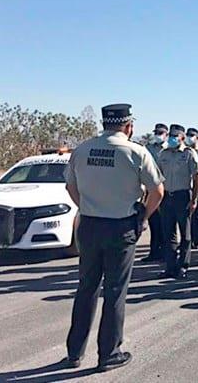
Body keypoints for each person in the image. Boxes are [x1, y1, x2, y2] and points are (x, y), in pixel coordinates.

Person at [64, 104, 164, 372]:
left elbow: (70, 186)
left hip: (89, 225)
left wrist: (87, 206)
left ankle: (74, 352)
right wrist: (143, 218)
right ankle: (108, 353)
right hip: (121, 228)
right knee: (115, 291)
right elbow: (158, 191)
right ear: (128, 126)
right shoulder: (135, 152)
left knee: (86, 288)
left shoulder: (82, 149)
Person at [157, 124, 198, 279]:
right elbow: (158, 176)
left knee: (186, 234)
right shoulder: (164, 154)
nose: (171, 138)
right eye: (170, 136)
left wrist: (194, 199)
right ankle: (170, 266)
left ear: (182, 138)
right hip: (167, 197)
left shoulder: (189, 154)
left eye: (175, 136)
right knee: (168, 233)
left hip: (183, 196)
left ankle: (183, 266)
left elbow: (197, 177)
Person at [143, 123, 168, 262]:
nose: (158, 135)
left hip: (165, 188)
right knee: (153, 221)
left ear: (166, 134)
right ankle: (154, 251)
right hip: (150, 189)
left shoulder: (169, 149)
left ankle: (165, 252)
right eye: (156, 133)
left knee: (165, 223)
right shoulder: (148, 149)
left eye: (161, 133)